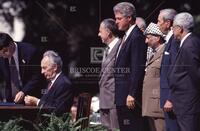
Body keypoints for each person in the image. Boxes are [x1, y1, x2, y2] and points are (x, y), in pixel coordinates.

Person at [113, 2, 147, 130]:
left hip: (130, 98)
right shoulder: (127, 36)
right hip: (122, 96)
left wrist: (132, 93)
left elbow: (137, 67)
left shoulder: (136, 37)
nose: (116, 22)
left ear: (129, 18)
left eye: (119, 18)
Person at [168, 12, 200, 131]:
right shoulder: (189, 42)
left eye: (173, 27)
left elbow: (196, 74)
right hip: (184, 103)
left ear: (179, 28)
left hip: (188, 104)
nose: (172, 30)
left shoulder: (189, 44)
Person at [24, 50, 74, 115]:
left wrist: (36, 101)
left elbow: (58, 110)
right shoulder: (52, 82)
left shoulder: (64, 84)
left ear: (55, 67)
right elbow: (47, 103)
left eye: (44, 68)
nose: (42, 72)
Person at [0, 32, 43, 103]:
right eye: (0, 54)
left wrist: (24, 91)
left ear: (11, 43)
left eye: (5, 51)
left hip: (30, 98)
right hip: (10, 100)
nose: (4, 55)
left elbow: (37, 76)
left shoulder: (30, 52)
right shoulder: (2, 57)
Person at [157, 9, 180, 131]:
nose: (157, 24)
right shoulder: (169, 41)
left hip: (171, 101)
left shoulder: (175, 42)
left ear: (168, 23)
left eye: (159, 21)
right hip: (166, 98)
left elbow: (176, 72)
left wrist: (171, 98)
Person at [98, 18, 120, 130]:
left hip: (114, 101)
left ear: (108, 32)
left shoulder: (121, 46)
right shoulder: (107, 49)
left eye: (100, 31)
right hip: (105, 100)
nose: (98, 34)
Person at [142, 22, 165, 131]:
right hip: (150, 105)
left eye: (148, 38)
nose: (146, 41)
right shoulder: (153, 54)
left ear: (157, 38)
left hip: (158, 106)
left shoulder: (165, 53)